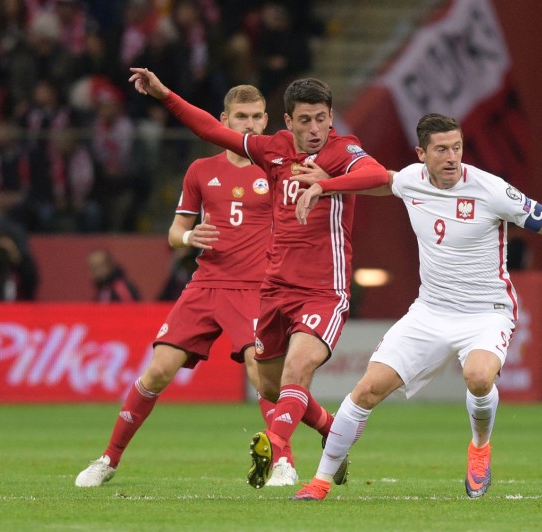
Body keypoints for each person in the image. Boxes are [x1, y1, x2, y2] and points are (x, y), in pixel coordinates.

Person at [291, 113, 542, 501]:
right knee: (367, 390)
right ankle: (320, 482)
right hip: (429, 312)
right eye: (441, 149)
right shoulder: (411, 180)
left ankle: (479, 448)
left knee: (478, 377)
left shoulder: (491, 190)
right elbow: (382, 182)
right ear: (421, 153)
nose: (451, 157)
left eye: (457, 147)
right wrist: (325, 187)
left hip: (486, 313)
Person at [128, 67, 389, 488]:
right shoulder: (273, 149)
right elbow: (213, 131)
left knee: (297, 370)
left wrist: (328, 185)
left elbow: (381, 177)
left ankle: (272, 444)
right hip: (275, 289)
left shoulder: (344, 151)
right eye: (304, 120)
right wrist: (164, 94)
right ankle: (332, 431)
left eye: (322, 118)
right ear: (287, 122)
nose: (315, 128)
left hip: (324, 289)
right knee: (270, 387)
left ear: (331, 117)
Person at [75, 84, 290, 487]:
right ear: (224, 121)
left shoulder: (276, 169)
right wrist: (191, 238)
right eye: (241, 117)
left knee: (261, 377)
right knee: (157, 372)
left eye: (257, 116)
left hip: (255, 289)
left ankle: (284, 461)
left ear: (266, 121)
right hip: (206, 285)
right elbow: (175, 232)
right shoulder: (200, 171)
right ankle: (108, 458)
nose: (249, 123)